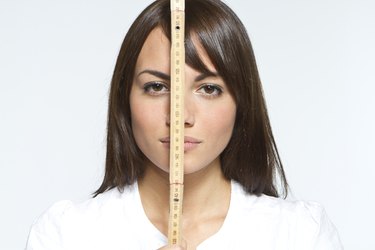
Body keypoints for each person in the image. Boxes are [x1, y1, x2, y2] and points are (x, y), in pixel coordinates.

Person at [26, 0, 343, 249]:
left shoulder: (300, 235)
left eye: (209, 89)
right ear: (124, 100)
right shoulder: (66, 235)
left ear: (241, 104)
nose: (180, 116)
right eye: (156, 87)